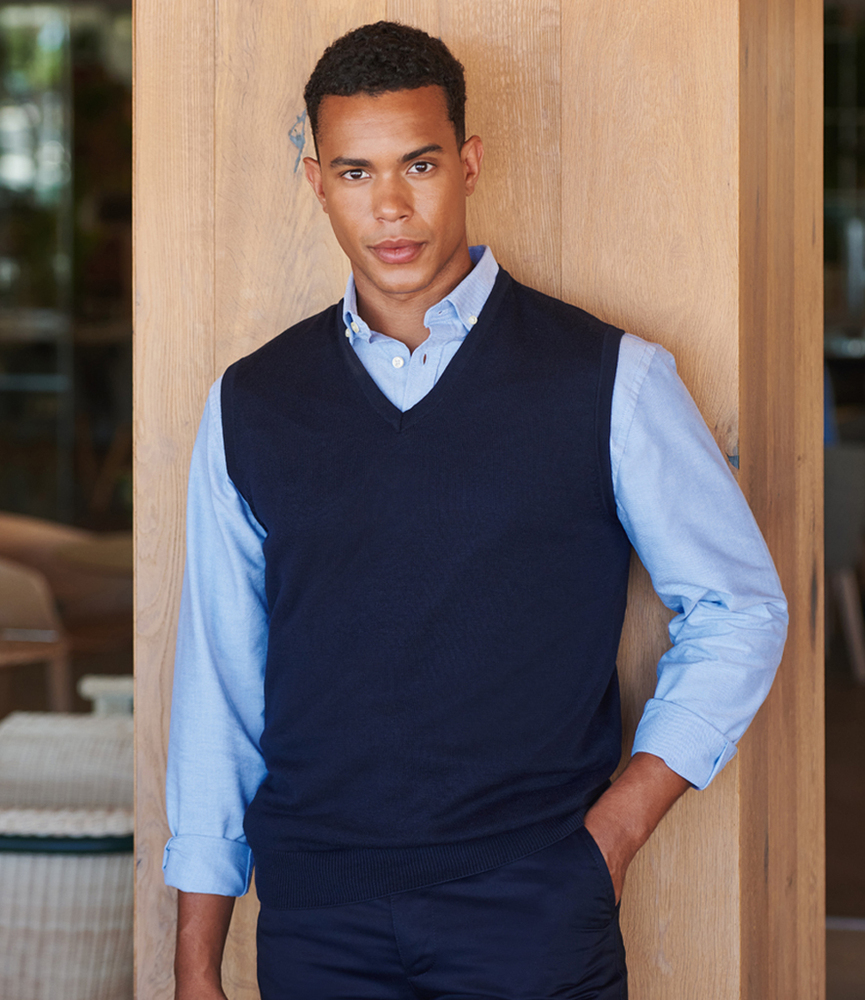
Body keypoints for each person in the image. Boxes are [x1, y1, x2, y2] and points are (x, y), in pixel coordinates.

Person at [163, 21, 788, 1000]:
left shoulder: (607, 378)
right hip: (316, 921)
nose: (392, 206)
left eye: (418, 164)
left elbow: (739, 606)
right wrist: (195, 961)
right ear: (316, 182)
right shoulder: (251, 402)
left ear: (468, 163)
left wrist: (612, 835)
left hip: (531, 910)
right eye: (356, 172)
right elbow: (220, 684)